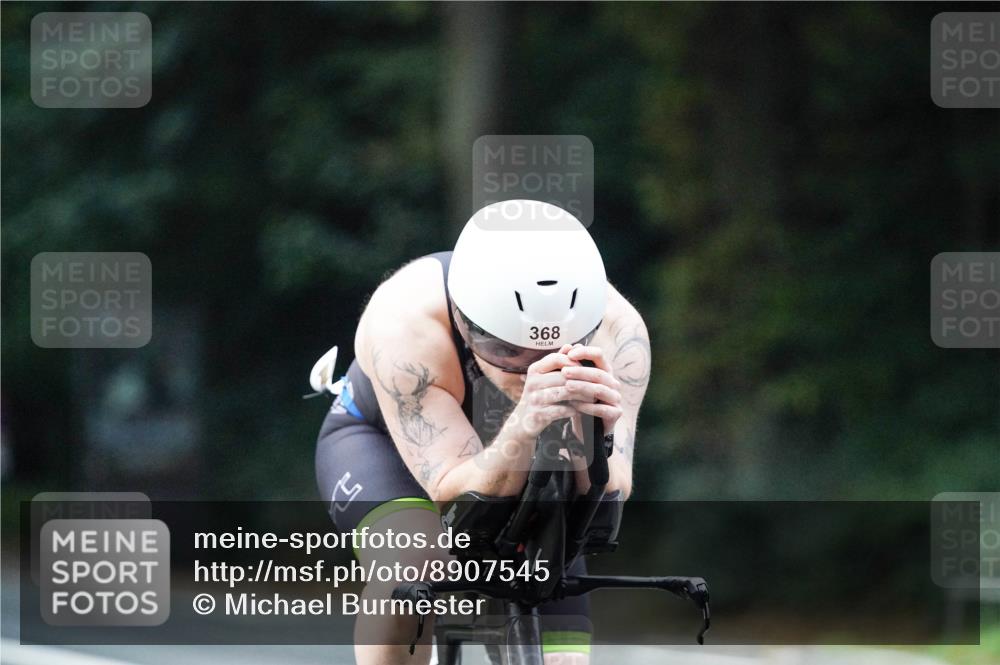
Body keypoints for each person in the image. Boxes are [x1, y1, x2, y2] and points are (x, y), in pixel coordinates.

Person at [315, 200, 651, 665]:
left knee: (562, 642)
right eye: (507, 350)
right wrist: (525, 421)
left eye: (555, 349)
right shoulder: (405, 320)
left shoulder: (620, 331)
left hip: (534, 449)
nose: (530, 371)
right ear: (463, 319)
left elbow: (608, 495)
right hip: (386, 445)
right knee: (413, 566)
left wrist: (592, 437)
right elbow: (452, 490)